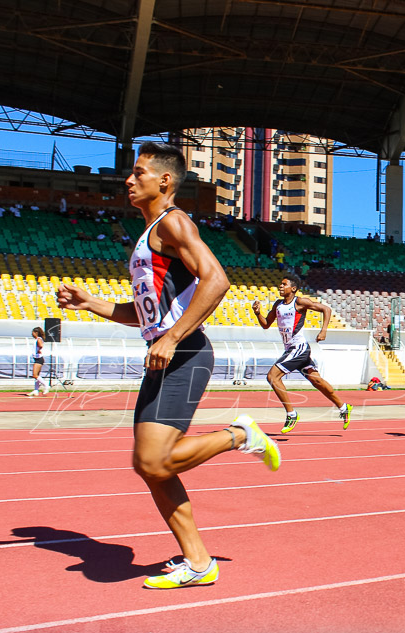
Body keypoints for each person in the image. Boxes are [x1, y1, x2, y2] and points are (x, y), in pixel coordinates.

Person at [56, 141, 281, 590]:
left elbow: (218, 280)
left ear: (164, 181)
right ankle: (199, 563)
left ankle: (240, 435)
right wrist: (91, 303)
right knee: (150, 466)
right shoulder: (147, 236)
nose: (128, 180)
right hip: (165, 353)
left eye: (138, 173)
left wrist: (173, 338)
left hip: (186, 352)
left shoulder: (173, 222)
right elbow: (145, 313)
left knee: (154, 461)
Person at [252, 275, 353, 434]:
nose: (280, 286)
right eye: (280, 283)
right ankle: (343, 406)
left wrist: (324, 330)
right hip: (293, 350)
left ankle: (291, 414)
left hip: (298, 348)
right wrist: (257, 313)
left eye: (284, 284)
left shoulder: (299, 302)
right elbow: (266, 325)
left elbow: (326, 309)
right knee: (317, 381)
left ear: (293, 289)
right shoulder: (278, 305)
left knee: (272, 377)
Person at [27, 326, 48, 397]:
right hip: (37, 359)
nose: (32, 334)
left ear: (36, 333)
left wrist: (39, 349)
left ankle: (46, 386)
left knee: (35, 375)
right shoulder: (37, 339)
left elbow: (41, 345)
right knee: (37, 376)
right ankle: (36, 390)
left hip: (39, 359)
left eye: (33, 333)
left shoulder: (39, 339)